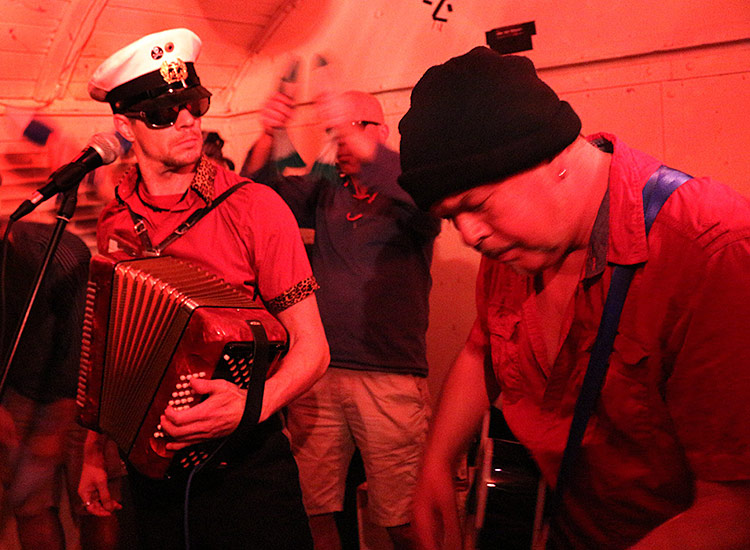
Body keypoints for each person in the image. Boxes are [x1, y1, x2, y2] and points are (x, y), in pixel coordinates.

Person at [396, 46, 750, 550]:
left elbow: (734, 510)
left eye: (476, 205)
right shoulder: (516, 247)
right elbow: (482, 349)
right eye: (451, 218)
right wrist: (436, 463)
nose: (469, 236)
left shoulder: (712, 252)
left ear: (555, 157)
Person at [77, 28, 329, 550]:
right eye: (163, 113)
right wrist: (92, 452)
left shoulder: (255, 208)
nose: (188, 120)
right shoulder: (114, 220)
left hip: (246, 471)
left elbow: (314, 349)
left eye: (194, 104)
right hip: (148, 469)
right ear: (124, 126)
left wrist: (252, 405)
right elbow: (109, 350)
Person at [243, 88, 440, 549]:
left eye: (355, 129)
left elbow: (426, 202)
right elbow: (257, 194)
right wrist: (268, 134)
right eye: (335, 133)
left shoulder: (409, 187)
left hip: (390, 377)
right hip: (318, 373)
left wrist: (372, 155)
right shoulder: (328, 189)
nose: (343, 142)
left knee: (402, 519)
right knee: (313, 510)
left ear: (381, 132)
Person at [0, 216, 90, 549]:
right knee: (30, 507)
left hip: (84, 392)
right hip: (21, 389)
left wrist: (56, 427)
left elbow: (84, 347)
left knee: (94, 504)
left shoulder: (59, 253)